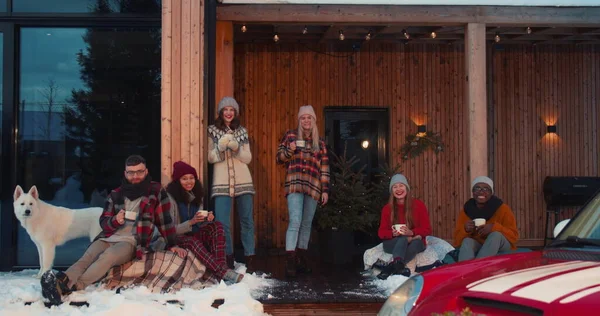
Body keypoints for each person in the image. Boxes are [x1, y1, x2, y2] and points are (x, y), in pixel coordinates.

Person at [41, 155, 184, 305]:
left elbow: (164, 221)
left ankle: (75, 286)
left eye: (139, 172)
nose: (135, 176)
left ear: (146, 171)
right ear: (125, 173)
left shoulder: (156, 191)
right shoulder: (116, 194)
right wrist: (115, 220)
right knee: (88, 256)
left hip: (132, 241)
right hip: (109, 236)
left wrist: (172, 244)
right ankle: (61, 282)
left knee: (108, 257)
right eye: (131, 172)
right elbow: (104, 222)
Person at [166, 160, 243, 283]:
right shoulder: (170, 198)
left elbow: (199, 224)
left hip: (195, 233)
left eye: (192, 178)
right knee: (192, 241)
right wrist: (191, 222)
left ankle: (222, 270)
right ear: (177, 181)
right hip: (178, 237)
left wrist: (207, 219)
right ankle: (223, 272)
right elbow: (169, 230)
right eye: (184, 179)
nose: (189, 182)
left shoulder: (197, 194)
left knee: (217, 226)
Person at [276, 105, 330, 277]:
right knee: (295, 221)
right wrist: (289, 149)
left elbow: (325, 168)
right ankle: (290, 261)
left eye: (309, 118)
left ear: (314, 120)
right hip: (295, 184)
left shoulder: (320, 143)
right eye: (303, 118)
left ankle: (301, 259)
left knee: (306, 224)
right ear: (299, 120)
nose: (306, 120)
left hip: (313, 187)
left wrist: (325, 190)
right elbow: (279, 158)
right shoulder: (291, 136)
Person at [208, 97, 257, 273]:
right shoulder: (212, 131)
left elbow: (248, 158)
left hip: (244, 182)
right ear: (221, 112)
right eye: (225, 109)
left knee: (246, 221)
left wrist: (236, 148)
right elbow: (210, 158)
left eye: (232, 110)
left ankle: (250, 257)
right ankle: (227, 259)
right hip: (221, 183)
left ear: (235, 112)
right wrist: (219, 148)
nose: (229, 113)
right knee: (222, 223)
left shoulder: (242, 131)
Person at [377, 174, 432, 280]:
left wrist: (411, 232)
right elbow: (381, 232)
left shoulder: (418, 205)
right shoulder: (387, 209)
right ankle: (398, 266)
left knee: (414, 242)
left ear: (406, 188)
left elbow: (427, 229)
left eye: (401, 185)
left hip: (415, 242)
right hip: (393, 243)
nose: (398, 189)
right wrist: (392, 234)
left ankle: (392, 267)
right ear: (392, 191)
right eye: (395, 186)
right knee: (402, 239)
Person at [453, 176, 519, 262]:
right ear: (473, 192)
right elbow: (457, 242)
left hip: (501, 244)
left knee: (495, 235)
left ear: (491, 193)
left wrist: (493, 227)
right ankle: (464, 271)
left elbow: (514, 237)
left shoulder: (502, 208)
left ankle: (479, 267)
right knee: (467, 241)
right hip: (479, 243)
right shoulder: (466, 210)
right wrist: (465, 229)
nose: (481, 192)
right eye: (477, 188)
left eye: (486, 189)